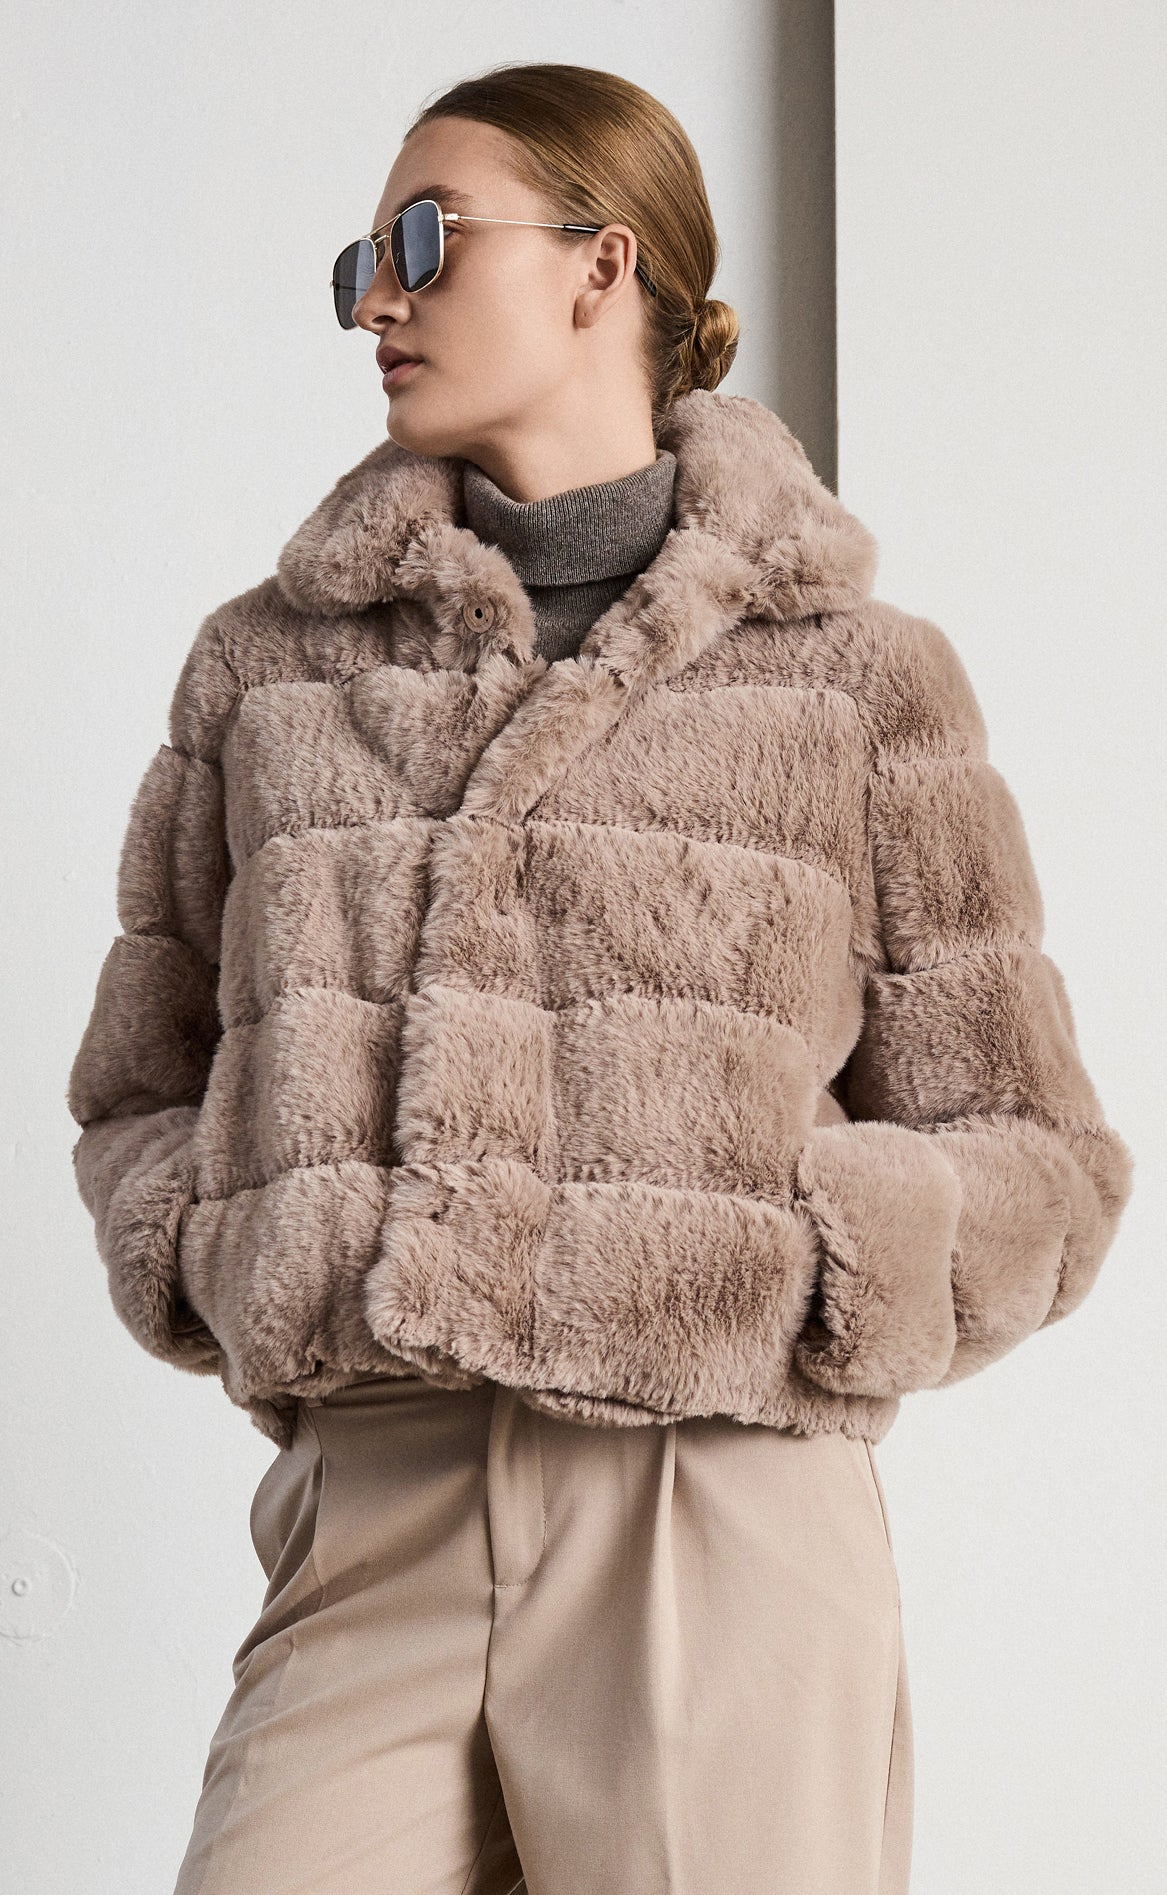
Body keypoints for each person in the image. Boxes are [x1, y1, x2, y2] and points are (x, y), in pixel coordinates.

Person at [65, 61, 1134, 1895]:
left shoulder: (856, 679)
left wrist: (796, 1265)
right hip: (376, 1494)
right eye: (359, 264)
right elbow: (140, 1083)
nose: (377, 301)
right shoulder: (268, 670)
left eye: (422, 241)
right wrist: (219, 1244)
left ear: (601, 264)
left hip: (714, 1511)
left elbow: (1038, 1146)